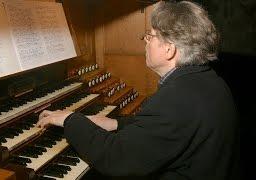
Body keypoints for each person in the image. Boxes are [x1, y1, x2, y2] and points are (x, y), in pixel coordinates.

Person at [36, 1, 238, 179]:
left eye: (150, 36)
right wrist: (116, 123)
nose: (145, 42)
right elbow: (168, 126)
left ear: (169, 49)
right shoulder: (208, 81)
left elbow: (116, 158)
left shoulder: (176, 98)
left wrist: (70, 119)